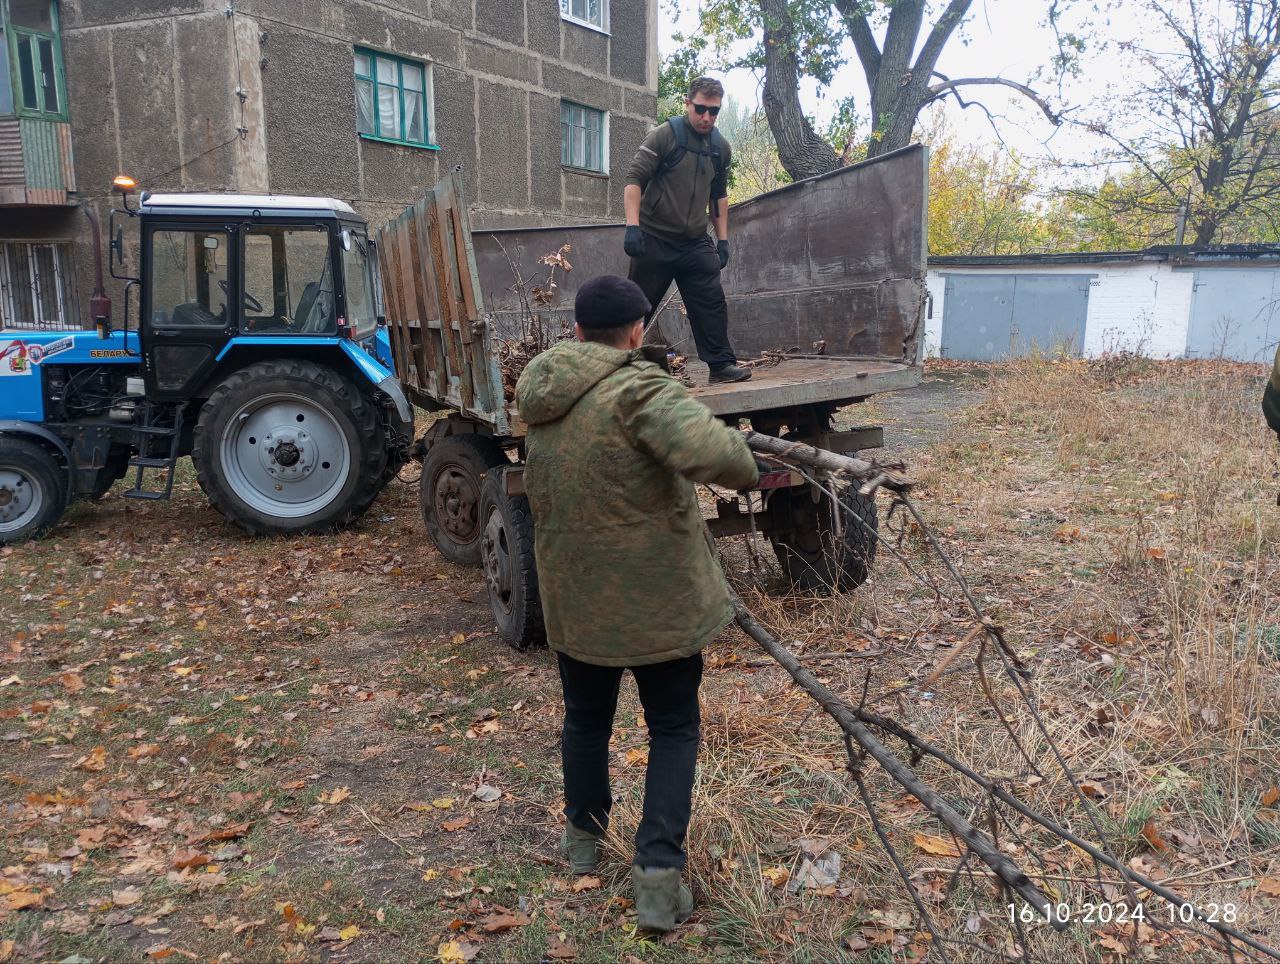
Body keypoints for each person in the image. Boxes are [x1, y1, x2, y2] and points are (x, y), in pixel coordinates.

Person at [514, 275, 760, 932]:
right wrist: (748, 457)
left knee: (586, 722)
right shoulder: (638, 386)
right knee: (673, 728)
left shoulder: (543, 398)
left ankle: (582, 845)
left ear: (575, 335)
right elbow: (715, 456)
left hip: (575, 598)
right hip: (657, 602)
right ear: (636, 331)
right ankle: (656, 884)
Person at [623, 76, 752, 385]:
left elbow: (718, 195)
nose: (707, 117)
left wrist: (722, 240)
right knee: (636, 307)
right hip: (654, 237)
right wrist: (632, 227)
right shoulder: (664, 136)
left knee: (710, 302)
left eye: (714, 111)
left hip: (694, 242)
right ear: (688, 104)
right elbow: (634, 180)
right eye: (701, 109)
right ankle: (618, 367)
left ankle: (720, 366)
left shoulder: (720, 147)